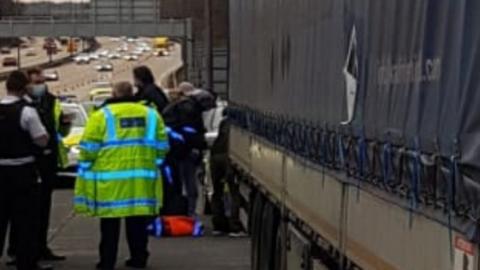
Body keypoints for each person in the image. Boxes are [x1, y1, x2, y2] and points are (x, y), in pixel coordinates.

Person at [74, 82, 169, 270]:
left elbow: (89, 148)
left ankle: (107, 262)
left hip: (110, 182)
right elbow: (162, 146)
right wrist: (153, 164)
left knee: (109, 227)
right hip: (141, 182)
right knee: (137, 224)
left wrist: (85, 167)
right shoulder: (150, 114)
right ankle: (138, 259)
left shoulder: (101, 115)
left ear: (114, 94)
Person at [7, 68, 69, 262]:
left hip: (47, 162)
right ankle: (17, 250)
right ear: (26, 86)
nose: (39, 86)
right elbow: (39, 137)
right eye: (35, 82)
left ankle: (40, 247)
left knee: (42, 210)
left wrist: (65, 125)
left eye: (41, 81)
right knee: (21, 212)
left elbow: (59, 130)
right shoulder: (23, 107)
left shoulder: (52, 101)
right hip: (28, 163)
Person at [0, 71, 52, 270]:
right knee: (25, 220)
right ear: (24, 89)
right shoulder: (27, 111)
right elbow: (41, 139)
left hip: (1, 171)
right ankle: (26, 261)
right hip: (22, 171)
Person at [162, 84, 216, 217]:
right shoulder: (189, 108)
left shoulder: (175, 107)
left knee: (178, 183)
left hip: (174, 150)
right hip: (185, 151)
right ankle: (189, 213)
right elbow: (191, 132)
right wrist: (199, 145)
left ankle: (180, 211)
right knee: (190, 183)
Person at [210, 110, 246, 237]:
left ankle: (219, 225)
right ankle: (234, 226)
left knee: (217, 191)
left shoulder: (223, 123)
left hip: (215, 157)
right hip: (228, 157)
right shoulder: (239, 124)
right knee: (234, 192)